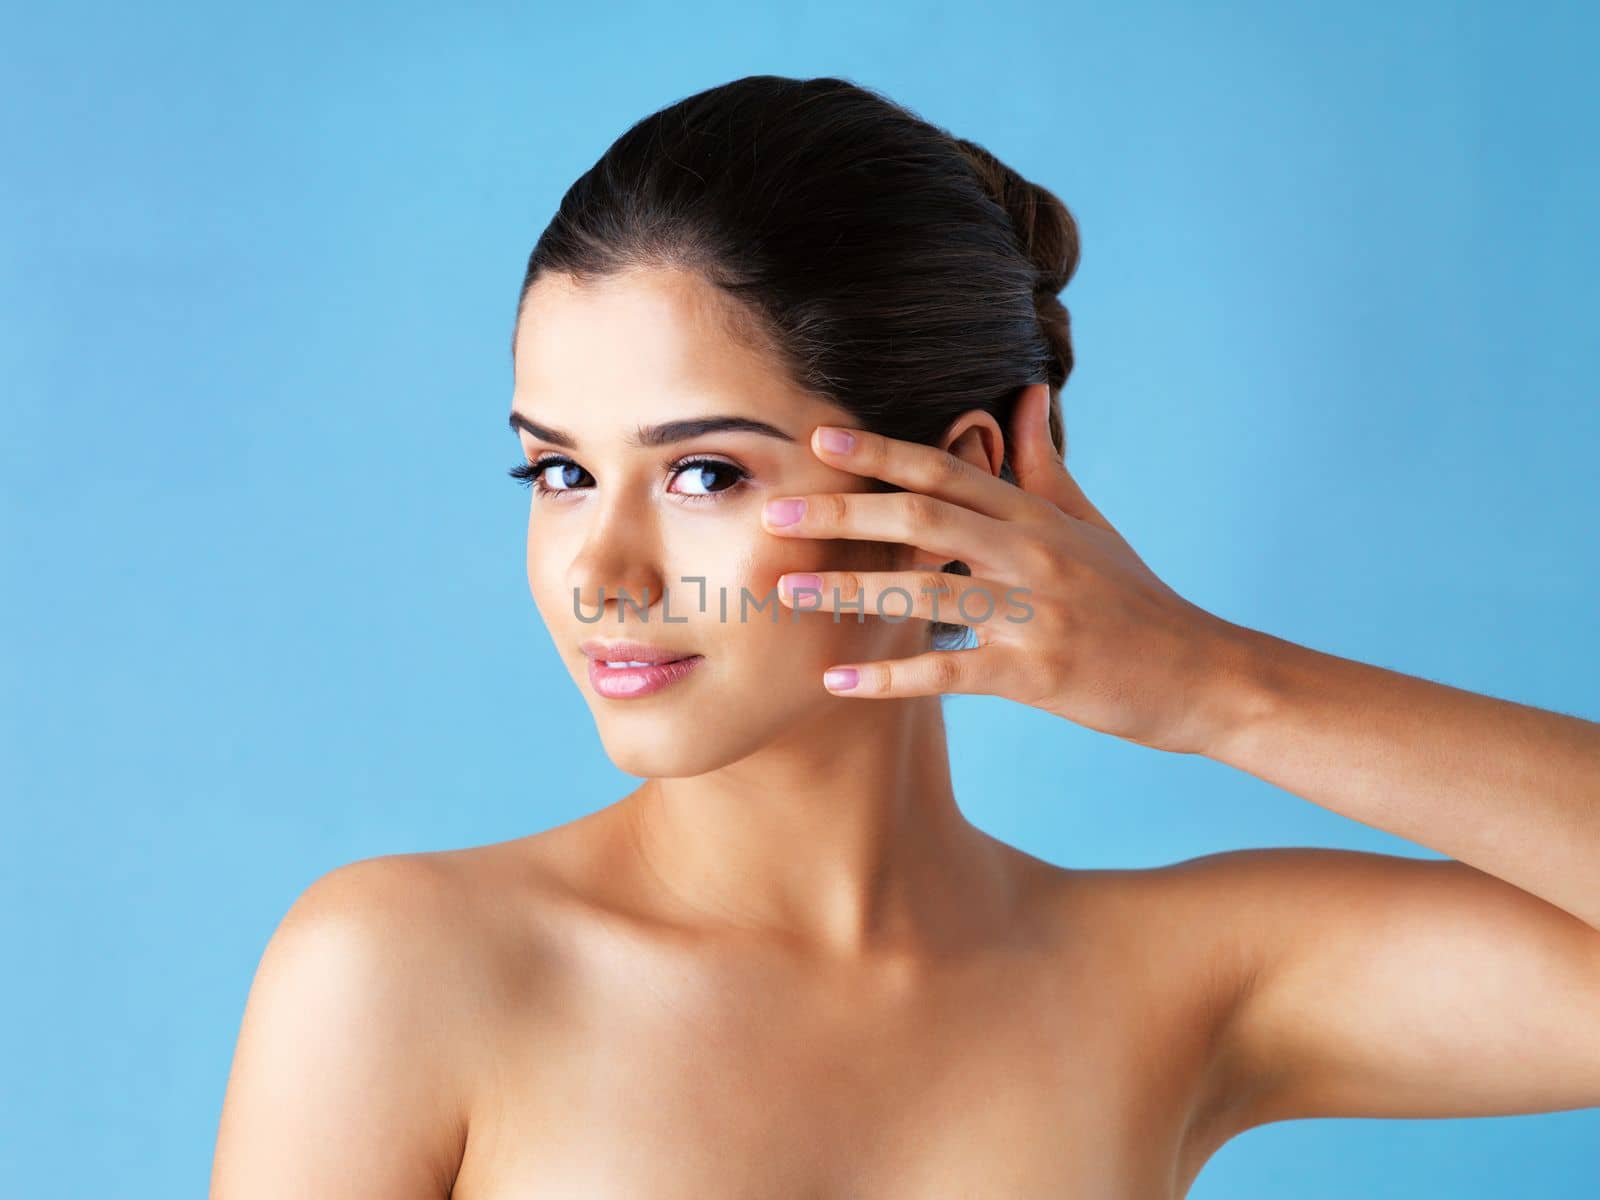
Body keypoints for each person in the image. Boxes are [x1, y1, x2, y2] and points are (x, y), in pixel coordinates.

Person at [209, 75, 1600, 1199]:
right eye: (559, 471)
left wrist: (1208, 686)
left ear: (965, 476)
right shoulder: (403, 973)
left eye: (707, 474)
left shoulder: (1170, 984)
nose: (604, 574)